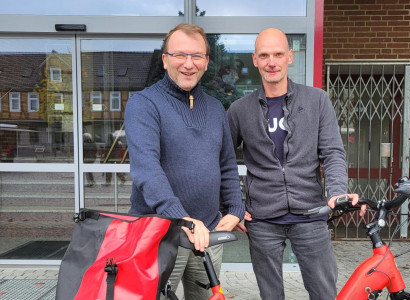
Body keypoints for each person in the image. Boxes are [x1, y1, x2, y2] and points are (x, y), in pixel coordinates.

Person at [227, 28, 365, 299]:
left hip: (311, 216)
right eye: (264, 55)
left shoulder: (317, 101)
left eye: (278, 54)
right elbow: (224, 161)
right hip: (263, 220)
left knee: (324, 292)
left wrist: (336, 192)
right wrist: (233, 205)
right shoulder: (239, 110)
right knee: (271, 295)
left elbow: (333, 152)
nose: (272, 62)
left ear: (290, 56)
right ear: (255, 59)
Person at [124, 23, 245, 300]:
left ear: (206, 62)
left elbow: (226, 164)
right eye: (180, 55)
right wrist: (180, 217)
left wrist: (236, 207)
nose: (188, 64)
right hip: (161, 235)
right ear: (165, 60)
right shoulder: (144, 104)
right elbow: (146, 168)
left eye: (197, 56)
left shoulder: (215, 108)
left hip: (209, 233)